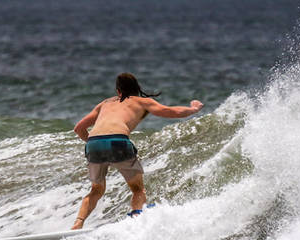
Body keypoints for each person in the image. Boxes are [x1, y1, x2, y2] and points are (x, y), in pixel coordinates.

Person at [71, 73, 203, 229]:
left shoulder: (105, 103)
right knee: (137, 189)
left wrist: (94, 143)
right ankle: (135, 221)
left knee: (96, 190)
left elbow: (78, 128)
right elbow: (171, 112)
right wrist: (193, 109)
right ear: (137, 88)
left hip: (93, 144)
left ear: (118, 90)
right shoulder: (142, 102)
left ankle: (78, 223)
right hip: (118, 141)